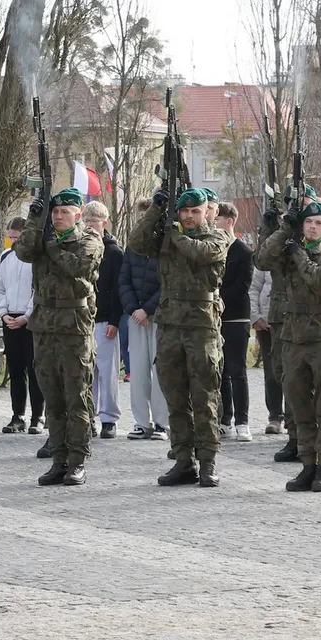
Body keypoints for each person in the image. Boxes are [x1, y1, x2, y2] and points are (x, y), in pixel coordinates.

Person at [130, 187, 229, 489]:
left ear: (206, 212)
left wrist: (173, 234)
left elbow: (198, 253)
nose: (188, 216)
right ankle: (184, 460)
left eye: (195, 211)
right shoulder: (168, 234)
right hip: (170, 325)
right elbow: (136, 243)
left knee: (204, 398)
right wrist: (156, 210)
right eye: (183, 211)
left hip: (201, 326)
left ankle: (208, 461)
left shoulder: (216, 237)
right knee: (175, 397)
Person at [258, 199, 321, 493]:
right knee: (299, 405)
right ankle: (308, 464)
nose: (312, 227)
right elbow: (262, 259)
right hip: (293, 336)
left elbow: (318, 278)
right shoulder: (290, 248)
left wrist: (297, 252)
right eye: (307, 222)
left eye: (318, 223)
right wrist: (285, 229)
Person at [16, 187, 103, 486]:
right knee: (52, 398)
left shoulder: (89, 239)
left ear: (78, 214)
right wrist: (33, 219)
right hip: (44, 327)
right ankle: (59, 459)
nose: (58, 216)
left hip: (74, 327)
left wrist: (52, 246)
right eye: (54, 212)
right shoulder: (42, 237)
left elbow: (80, 267)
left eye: (65, 211)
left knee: (76, 397)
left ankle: (78, 461)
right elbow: (23, 252)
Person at [119, 201, 167, 441]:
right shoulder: (132, 248)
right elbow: (123, 280)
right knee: (137, 371)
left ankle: (161, 422)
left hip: (159, 317)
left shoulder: (165, 246)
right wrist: (134, 309)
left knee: (160, 371)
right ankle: (141, 422)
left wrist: (147, 309)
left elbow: (167, 283)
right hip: (136, 318)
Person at [0, 217, 42, 434]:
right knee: (15, 368)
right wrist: (3, 312)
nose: (13, 242)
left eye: (17, 238)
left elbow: (38, 289)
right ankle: (17, 415)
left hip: (30, 317)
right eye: (11, 238)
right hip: (10, 316)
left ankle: (38, 416)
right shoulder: (5, 256)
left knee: (35, 368)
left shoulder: (35, 257)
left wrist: (27, 315)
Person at [85, 200, 124, 439]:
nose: (90, 225)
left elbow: (118, 289)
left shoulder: (114, 252)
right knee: (86, 372)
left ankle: (109, 419)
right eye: (87, 221)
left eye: (94, 221)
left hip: (105, 319)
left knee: (107, 371)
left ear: (104, 223)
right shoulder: (81, 247)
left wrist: (114, 320)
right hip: (84, 319)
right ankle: (87, 415)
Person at [215, 203, 254, 442]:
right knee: (220, 371)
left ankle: (242, 422)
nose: (213, 223)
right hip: (215, 318)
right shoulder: (212, 248)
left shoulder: (243, 252)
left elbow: (242, 286)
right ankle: (225, 419)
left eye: (217, 219)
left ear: (229, 222)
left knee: (237, 370)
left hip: (236, 317)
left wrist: (217, 301)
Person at [249, 265, 282, 434]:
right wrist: (255, 316)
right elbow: (254, 288)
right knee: (271, 372)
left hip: (293, 322)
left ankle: (295, 418)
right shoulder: (266, 256)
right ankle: (275, 417)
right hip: (267, 324)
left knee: (296, 372)